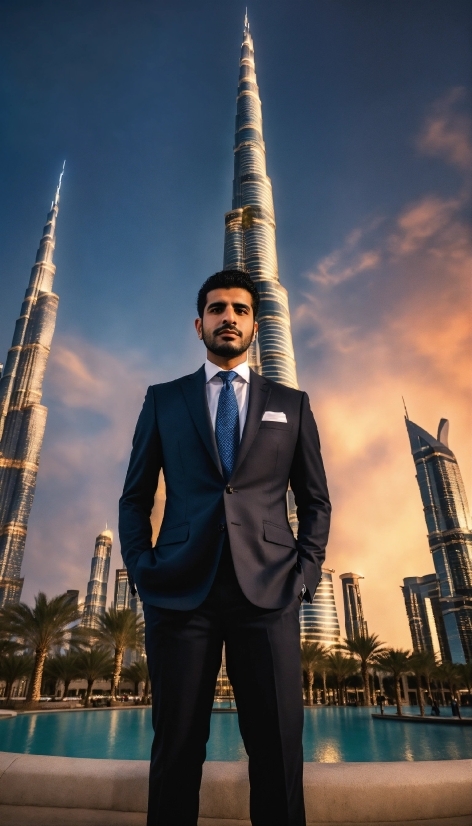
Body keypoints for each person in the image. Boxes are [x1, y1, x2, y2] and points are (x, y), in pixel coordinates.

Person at [119, 270, 331, 826]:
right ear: (199, 325)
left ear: (256, 325)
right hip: (179, 595)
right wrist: (142, 571)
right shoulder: (163, 400)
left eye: (239, 309)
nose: (228, 317)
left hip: (268, 595)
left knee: (278, 751)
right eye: (217, 309)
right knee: (177, 750)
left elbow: (316, 501)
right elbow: (135, 496)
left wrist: (305, 574)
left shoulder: (293, 403)